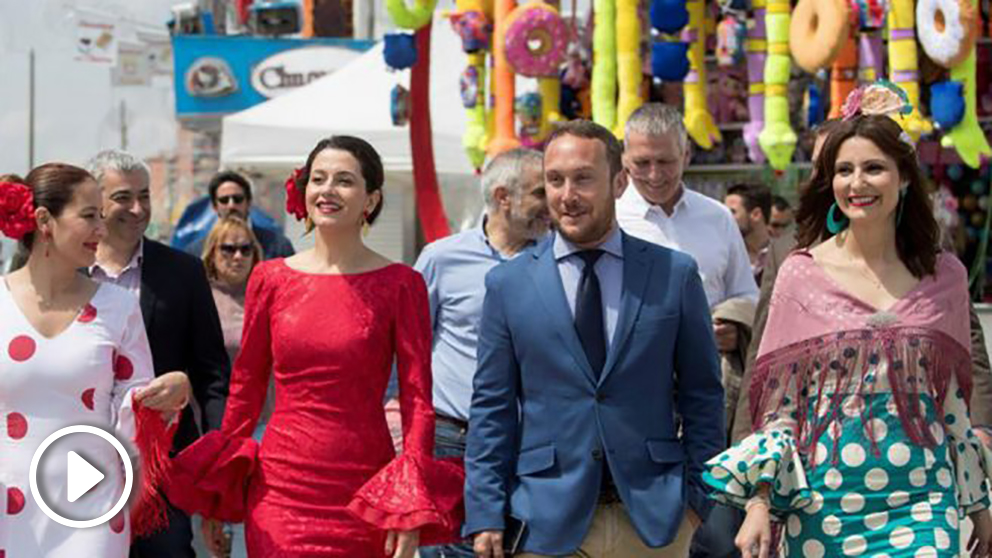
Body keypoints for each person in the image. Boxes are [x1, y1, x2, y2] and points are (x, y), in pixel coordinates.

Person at [706, 85, 992, 558]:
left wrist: (979, 503)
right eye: (844, 170)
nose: (857, 183)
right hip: (822, 501)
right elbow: (778, 410)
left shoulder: (946, 276)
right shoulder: (800, 274)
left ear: (903, 178)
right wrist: (758, 502)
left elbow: (951, 403)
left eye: (873, 168)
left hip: (925, 500)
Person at [166, 136, 463, 557]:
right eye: (318, 179)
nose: (327, 189)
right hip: (279, 490)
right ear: (304, 192)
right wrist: (218, 490)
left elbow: (417, 398)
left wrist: (408, 502)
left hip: (366, 490)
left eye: (344, 181)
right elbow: (246, 389)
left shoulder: (402, 284)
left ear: (371, 199)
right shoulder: (270, 278)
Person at [465, 120, 725, 557]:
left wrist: (699, 499)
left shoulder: (673, 275)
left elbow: (703, 394)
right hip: (544, 520)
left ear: (619, 182)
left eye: (583, 178)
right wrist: (486, 511)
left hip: (655, 521)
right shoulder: (507, 285)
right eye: (555, 180)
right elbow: (492, 408)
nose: (567, 195)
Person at [0, 165, 180, 556]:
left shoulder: (119, 307)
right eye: (88, 216)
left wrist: (171, 393)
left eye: (101, 215)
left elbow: (137, 411)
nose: (101, 229)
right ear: (45, 221)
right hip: (7, 506)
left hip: (91, 505)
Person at [617, 103, 757, 557]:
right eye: (642, 163)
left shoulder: (717, 218)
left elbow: (749, 295)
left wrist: (734, 325)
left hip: (709, 397)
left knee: (716, 532)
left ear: (687, 156)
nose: (655, 174)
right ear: (623, 159)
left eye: (666, 161)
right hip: (638, 403)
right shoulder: (611, 221)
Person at [86, 149, 230, 558]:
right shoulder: (64, 273)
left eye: (144, 196)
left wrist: (214, 460)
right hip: (78, 460)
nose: (137, 208)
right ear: (95, 201)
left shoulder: (182, 272)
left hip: (162, 471)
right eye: (122, 198)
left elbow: (212, 374)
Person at [415, 148, 548, 558]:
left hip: (534, 443)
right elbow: (411, 347)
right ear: (504, 196)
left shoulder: (558, 261)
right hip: (452, 439)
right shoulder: (441, 259)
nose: (553, 203)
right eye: (541, 192)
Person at [198, 216, 268, 558]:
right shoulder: (201, 297)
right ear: (212, 253)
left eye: (245, 249)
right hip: (214, 424)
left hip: (265, 422)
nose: (237, 256)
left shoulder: (268, 294)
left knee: (255, 511)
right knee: (214, 518)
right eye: (228, 248)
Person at [183, 170, 295, 261]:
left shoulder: (278, 246)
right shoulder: (196, 252)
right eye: (224, 200)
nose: (231, 205)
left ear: (249, 202)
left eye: (237, 199)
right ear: (214, 207)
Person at [724, 183, 772, 284]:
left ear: (756, 215)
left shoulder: (782, 255)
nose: (725, 218)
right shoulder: (726, 256)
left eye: (732, 212)